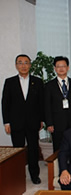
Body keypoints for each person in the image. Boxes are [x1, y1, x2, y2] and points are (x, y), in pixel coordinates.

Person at [1, 54, 44, 184]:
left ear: (30, 65)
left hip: (33, 122)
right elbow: (5, 103)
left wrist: (41, 120)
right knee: (18, 151)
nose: (23, 65)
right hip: (16, 123)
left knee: (33, 150)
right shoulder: (10, 82)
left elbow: (41, 103)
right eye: (20, 63)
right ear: (16, 65)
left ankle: (34, 175)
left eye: (26, 63)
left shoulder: (37, 81)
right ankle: (18, 176)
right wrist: (6, 122)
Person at [44, 56, 71, 152]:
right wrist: (49, 123)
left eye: (63, 66)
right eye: (58, 66)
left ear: (68, 67)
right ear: (55, 68)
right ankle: (59, 167)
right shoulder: (49, 86)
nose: (61, 68)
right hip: (56, 123)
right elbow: (47, 106)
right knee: (58, 148)